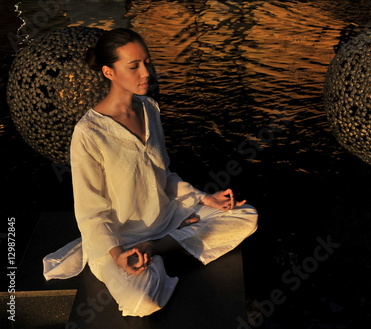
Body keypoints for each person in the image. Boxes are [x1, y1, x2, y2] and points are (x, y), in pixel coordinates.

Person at [43, 28, 258, 317]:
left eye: (147, 62)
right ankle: (169, 242)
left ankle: (157, 247)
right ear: (109, 72)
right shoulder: (88, 133)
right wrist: (117, 254)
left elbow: (163, 174)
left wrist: (204, 199)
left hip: (164, 217)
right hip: (116, 240)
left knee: (246, 216)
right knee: (142, 303)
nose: (146, 72)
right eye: (134, 66)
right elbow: (91, 210)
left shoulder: (150, 110)